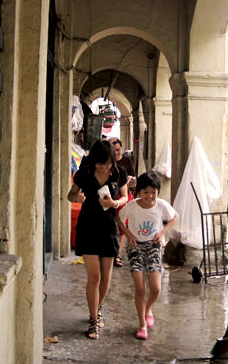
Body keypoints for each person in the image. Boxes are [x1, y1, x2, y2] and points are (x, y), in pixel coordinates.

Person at [67, 140, 128, 339]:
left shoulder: (119, 173)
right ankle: (93, 320)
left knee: (105, 279)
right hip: (88, 227)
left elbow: (126, 196)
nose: (104, 166)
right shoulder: (84, 173)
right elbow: (70, 194)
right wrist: (77, 199)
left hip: (109, 228)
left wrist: (114, 202)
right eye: (100, 162)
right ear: (93, 160)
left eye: (107, 162)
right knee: (94, 277)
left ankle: (97, 307)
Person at [116, 171, 178, 340]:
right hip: (135, 247)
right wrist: (128, 235)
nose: (150, 196)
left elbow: (174, 217)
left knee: (156, 288)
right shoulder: (132, 206)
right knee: (140, 287)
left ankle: (148, 308)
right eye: (145, 192)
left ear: (157, 192)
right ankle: (142, 323)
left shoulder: (161, 205)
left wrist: (162, 232)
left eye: (153, 192)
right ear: (139, 192)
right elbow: (119, 218)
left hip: (154, 246)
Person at [109, 138, 136, 267]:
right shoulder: (108, 163)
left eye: (119, 149)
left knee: (121, 226)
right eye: (114, 150)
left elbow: (134, 177)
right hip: (111, 196)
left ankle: (117, 255)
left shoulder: (127, 162)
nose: (117, 153)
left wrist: (130, 180)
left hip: (123, 196)